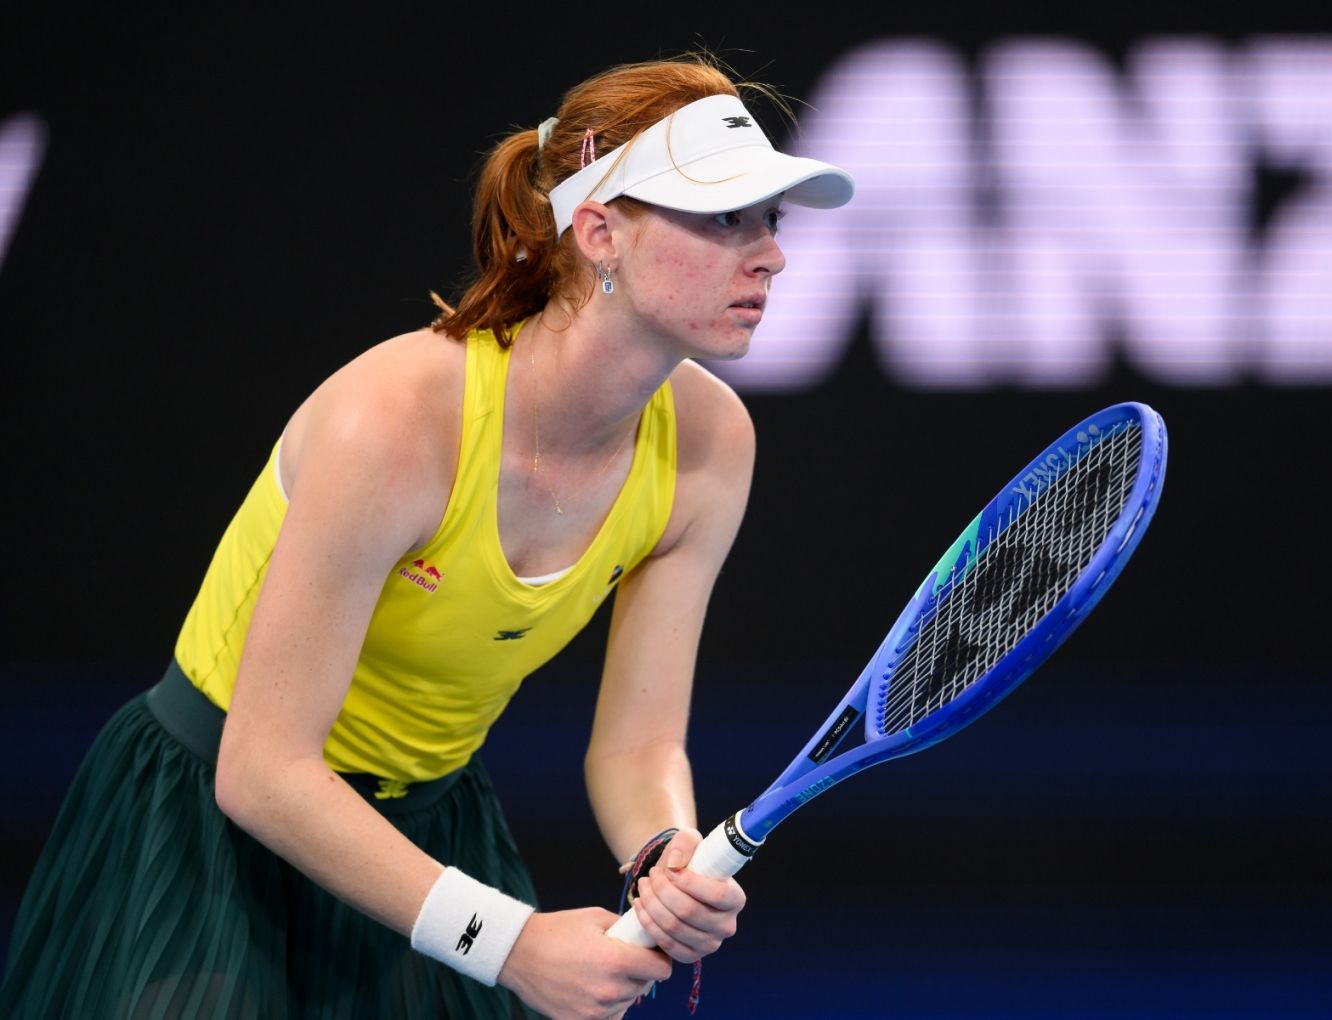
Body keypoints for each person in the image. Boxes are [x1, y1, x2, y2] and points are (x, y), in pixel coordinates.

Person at [0, 53, 853, 1020]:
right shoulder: (397, 422)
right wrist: (513, 942)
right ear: (600, 232)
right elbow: (265, 771)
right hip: (206, 820)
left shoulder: (712, 443)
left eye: (770, 220)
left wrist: (662, 853)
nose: (771, 255)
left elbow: (637, 746)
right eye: (721, 218)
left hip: (429, 824)